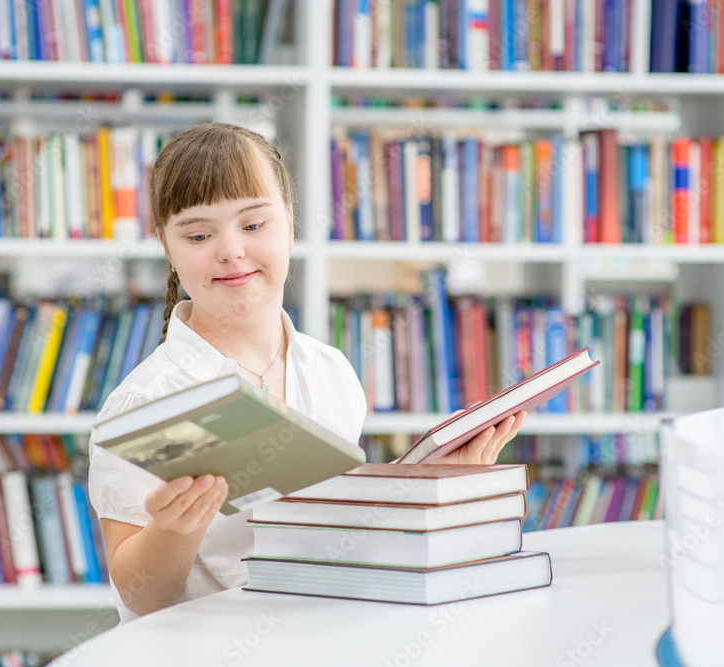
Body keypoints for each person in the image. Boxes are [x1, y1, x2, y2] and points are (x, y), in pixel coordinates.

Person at [87, 121, 527, 623]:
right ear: (167, 246)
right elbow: (143, 597)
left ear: (290, 225)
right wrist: (173, 529)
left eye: (253, 225)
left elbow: (341, 540)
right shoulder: (143, 404)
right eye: (199, 234)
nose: (231, 250)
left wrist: (429, 489)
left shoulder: (332, 372)